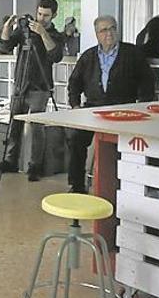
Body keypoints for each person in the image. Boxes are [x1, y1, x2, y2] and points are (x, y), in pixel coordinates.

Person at [66, 15, 154, 193]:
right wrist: (75, 105)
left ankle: (124, 186)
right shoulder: (88, 56)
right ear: (97, 34)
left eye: (113, 28)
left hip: (124, 109)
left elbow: (147, 81)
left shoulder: (133, 53)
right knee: (76, 139)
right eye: (104, 30)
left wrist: (143, 107)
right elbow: (74, 82)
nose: (109, 33)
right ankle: (76, 186)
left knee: (125, 145)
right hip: (93, 109)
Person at [0, 0, 65, 181]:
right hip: (20, 84)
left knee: (36, 127)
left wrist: (42, 34)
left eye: (46, 16)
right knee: (14, 123)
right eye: (39, 14)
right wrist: (7, 30)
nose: (41, 19)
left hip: (40, 87)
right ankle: (10, 161)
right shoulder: (25, 31)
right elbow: (5, 46)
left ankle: (35, 166)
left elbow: (55, 55)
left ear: (54, 15)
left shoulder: (55, 34)